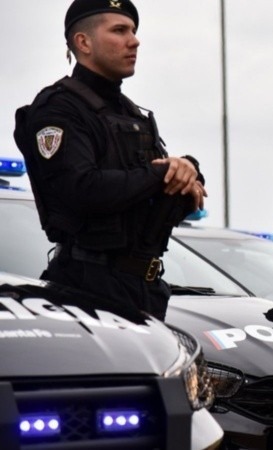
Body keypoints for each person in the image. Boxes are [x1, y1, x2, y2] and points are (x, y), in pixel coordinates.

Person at [13, 0, 206, 321]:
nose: (134, 40)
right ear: (83, 42)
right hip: (88, 289)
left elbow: (153, 195)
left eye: (133, 30)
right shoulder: (59, 109)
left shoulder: (131, 113)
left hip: (144, 289)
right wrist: (162, 174)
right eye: (119, 31)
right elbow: (82, 190)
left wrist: (188, 172)